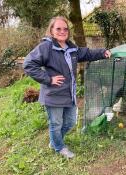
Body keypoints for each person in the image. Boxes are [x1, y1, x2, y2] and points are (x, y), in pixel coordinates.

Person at [23, 16, 111, 159]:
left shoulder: (71, 48)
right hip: (53, 94)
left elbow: (87, 53)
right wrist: (48, 79)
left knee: (70, 122)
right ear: (51, 31)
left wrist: (102, 52)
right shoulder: (47, 47)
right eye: (58, 28)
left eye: (65, 29)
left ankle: (54, 140)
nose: (62, 31)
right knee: (56, 123)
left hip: (69, 93)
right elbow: (28, 64)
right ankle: (59, 147)